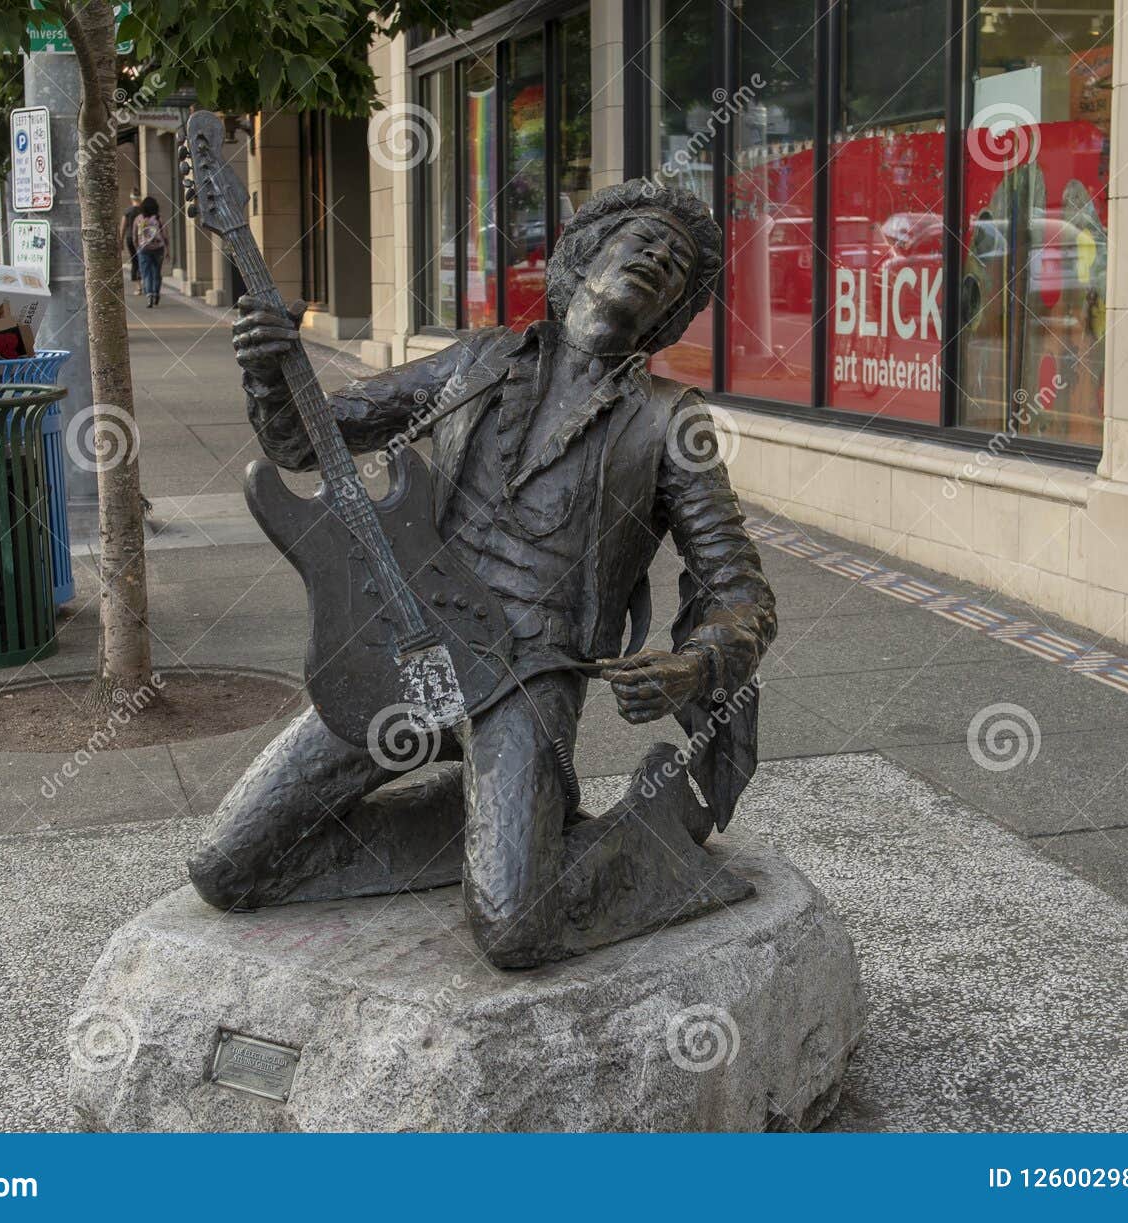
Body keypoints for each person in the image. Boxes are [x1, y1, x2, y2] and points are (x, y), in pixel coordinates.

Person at [189, 180, 777, 969]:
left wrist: (691, 666)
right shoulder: (476, 361)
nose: (654, 262)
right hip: (413, 647)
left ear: (670, 310)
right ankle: (477, 822)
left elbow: (741, 590)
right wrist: (266, 372)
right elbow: (310, 438)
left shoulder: (672, 421)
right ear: (583, 256)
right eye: (638, 241)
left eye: (672, 267)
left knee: (512, 927)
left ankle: (645, 840)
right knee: (226, 870)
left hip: (528, 674)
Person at [132, 195, 167, 307]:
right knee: (157, 272)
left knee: (146, 273)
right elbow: (165, 235)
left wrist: (137, 247)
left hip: (143, 249)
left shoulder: (138, 219)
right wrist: (168, 249)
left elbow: (134, 235)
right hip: (158, 249)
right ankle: (156, 292)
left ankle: (149, 295)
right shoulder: (158, 218)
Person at [120, 192, 142, 283]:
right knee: (142, 260)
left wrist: (120, 241)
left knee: (134, 261)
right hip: (142, 238)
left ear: (131, 198)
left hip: (130, 238)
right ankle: (145, 283)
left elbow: (123, 227)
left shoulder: (128, 211)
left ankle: (138, 286)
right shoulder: (143, 210)